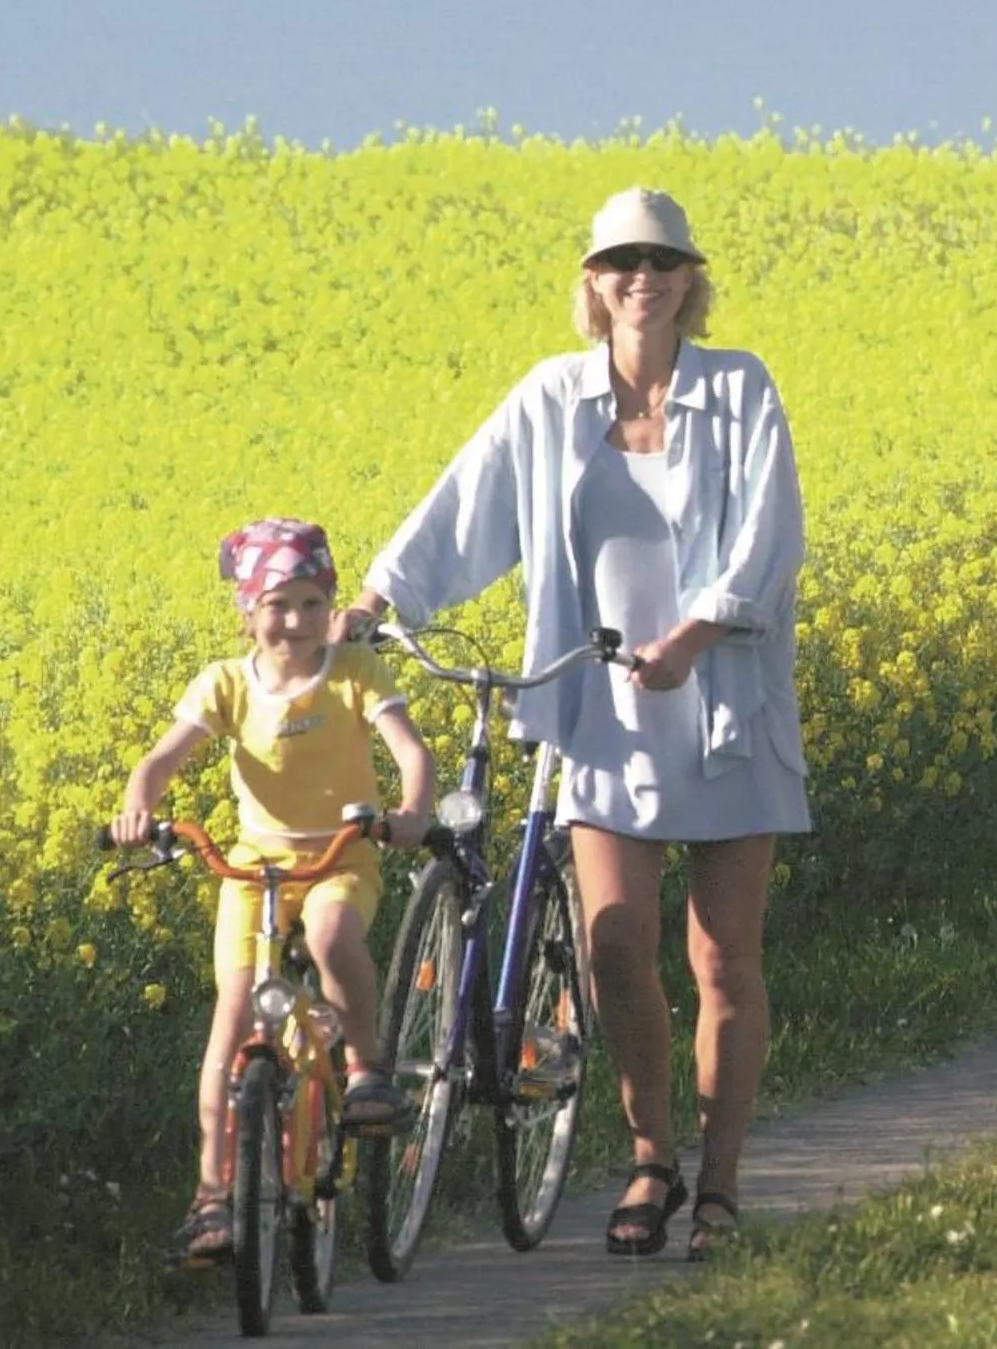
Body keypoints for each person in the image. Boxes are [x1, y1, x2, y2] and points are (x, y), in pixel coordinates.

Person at [340, 187, 806, 1262]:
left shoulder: (740, 388)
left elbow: (770, 536)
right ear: (593, 282)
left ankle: (720, 1185)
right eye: (621, 260)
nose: (643, 276)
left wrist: (696, 633)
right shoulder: (551, 397)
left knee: (723, 957)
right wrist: (377, 600)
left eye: (662, 259)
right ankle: (651, 1156)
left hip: (724, 705)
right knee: (615, 945)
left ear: (690, 279)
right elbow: (465, 507)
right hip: (601, 712)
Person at [112, 518, 436, 1265]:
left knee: (330, 936)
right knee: (232, 1015)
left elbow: (410, 750)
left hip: (341, 855)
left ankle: (366, 1070)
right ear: (246, 612)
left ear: (333, 605)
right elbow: (161, 760)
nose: (296, 620)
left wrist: (413, 812)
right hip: (255, 865)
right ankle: (211, 1195)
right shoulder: (226, 683)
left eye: (312, 603)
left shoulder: (355, 671)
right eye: (278, 605)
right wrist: (139, 810)